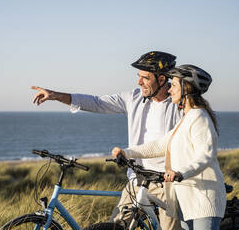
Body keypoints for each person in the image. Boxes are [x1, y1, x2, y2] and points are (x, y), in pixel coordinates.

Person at [31, 51, 183, 229]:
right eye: (139, 76)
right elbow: (96, 102)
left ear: (162, 79)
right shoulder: (134, 98)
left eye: (145, 78)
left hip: (167, 185)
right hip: (136, 181)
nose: (139, 81)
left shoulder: (179, 104)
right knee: (116, 226)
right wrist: (56, 95)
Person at [112, 64, 226, 230]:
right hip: (186, 201)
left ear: (185, 88)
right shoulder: (186, 118)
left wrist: (181, 173)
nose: (170, 90)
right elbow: (160, 144)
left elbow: (205, 156)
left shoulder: (199, 116)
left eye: (173, 85)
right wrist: (127, 152)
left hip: (203, 198)